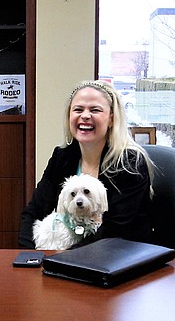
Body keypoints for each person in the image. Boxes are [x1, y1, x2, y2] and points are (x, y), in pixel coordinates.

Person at [20, 79, 154, 248]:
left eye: (95, 110)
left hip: (120, 259)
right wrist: (29, 256)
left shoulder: (130, 163)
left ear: (112, 119)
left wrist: (64, 258)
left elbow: (115, 230)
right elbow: (33, 213)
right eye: (78, 109)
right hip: (66, 259)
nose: (85, 116)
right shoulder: (62, 157)